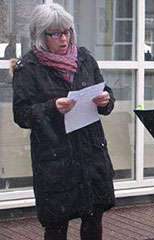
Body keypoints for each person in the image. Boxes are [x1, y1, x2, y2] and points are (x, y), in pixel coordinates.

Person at [12, 3, 115, 240]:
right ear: (40, 36)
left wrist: (106, 100)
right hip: (55, 158)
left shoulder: (85, 58)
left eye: (67, 31)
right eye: (55, 33)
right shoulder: (28, 68)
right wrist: (52, 108)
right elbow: (21, 114)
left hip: (90, 152)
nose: (64, 38)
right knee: (57, 224)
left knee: (93, 216)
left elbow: (105, 94)